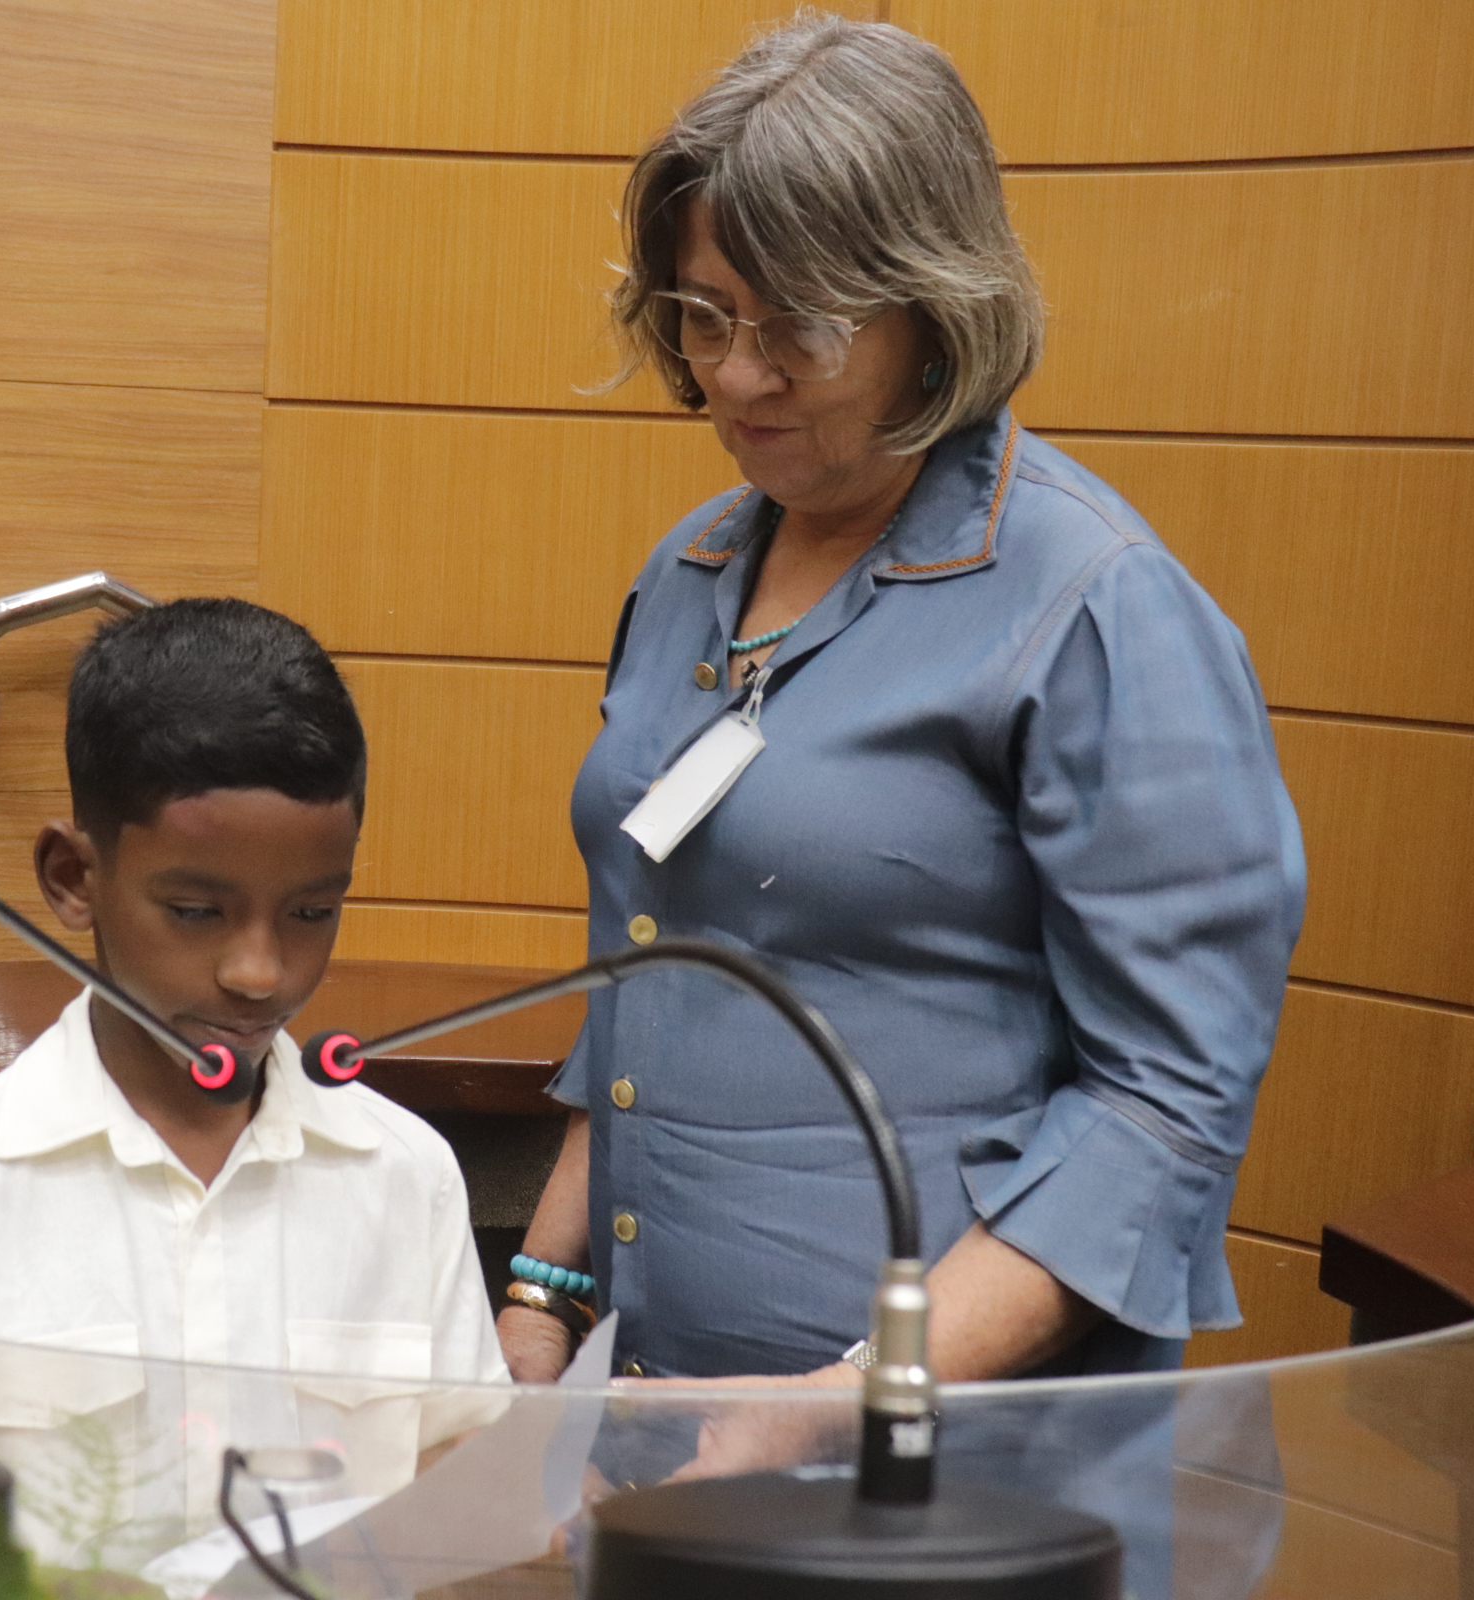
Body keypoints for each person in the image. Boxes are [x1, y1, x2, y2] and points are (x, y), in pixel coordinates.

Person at [499, 15, 1305, 1428]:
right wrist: (542, 1298)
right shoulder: (690, 569)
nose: (736, 375)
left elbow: (1164, 1113)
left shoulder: (1097, 604)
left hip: (946, 1462)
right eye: (704, 314)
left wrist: (843, 1401)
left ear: (933, 310)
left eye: (798, 328)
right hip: (664, 1418)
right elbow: (651, 974)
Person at [0, 599, 508, 1562]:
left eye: (311, 913)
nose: (260, 973)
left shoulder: (407, 1176)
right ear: (73, 879)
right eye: (198, 911)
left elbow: (464, 1496)